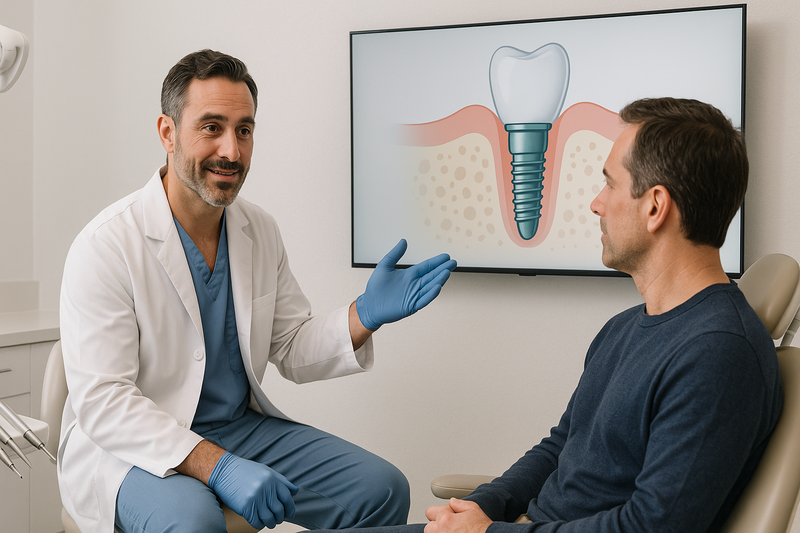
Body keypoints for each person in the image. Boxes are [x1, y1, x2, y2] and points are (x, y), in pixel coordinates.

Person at [317, 97, 783, 533]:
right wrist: (484, 506)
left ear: (655, 207)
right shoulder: (624, 328)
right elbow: (562, 447)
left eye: (610, 183)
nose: (596, 202)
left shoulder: (719, 353)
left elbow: (651, 526)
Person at [58, 49, 457, 533]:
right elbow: (104, 401)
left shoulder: (257, 228)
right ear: (167, 132)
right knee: (193, 523)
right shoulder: (106, 244)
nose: (231, 150)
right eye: (212, 127)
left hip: (236, 429)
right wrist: (217, 466)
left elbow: (289, 346)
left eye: (244, 130)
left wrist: (364, 313)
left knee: (381, 489)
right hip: (131, 449)